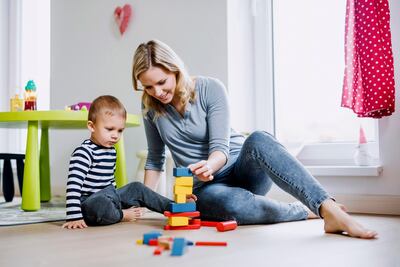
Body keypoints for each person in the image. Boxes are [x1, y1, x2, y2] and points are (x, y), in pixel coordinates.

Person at [131, 39, 377, 239]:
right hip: (208, 189)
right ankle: (298, 211)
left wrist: (209, 165)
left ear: (175, 70)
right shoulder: (150, 107)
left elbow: (220, 148)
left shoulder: (209, 88)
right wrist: (146, 204)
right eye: (148, 87)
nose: (158, 93)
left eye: (162, 83)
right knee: (227, 207)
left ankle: (327, 209)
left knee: (259, 138)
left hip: (241, 168)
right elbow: (155, 159)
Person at [62, 95, 175, 229]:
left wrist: (118, 199)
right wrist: (74, 217)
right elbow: (73, 187)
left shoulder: (111, 150)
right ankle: (120, 215)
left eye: (120, 130)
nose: (115, 135)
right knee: (100, 204)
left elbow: (110, 181)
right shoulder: (84, 152)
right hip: (90, 204)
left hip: (110, 197)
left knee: (136, 187)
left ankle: (174, 207)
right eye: (109, 129)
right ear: (92, 126)